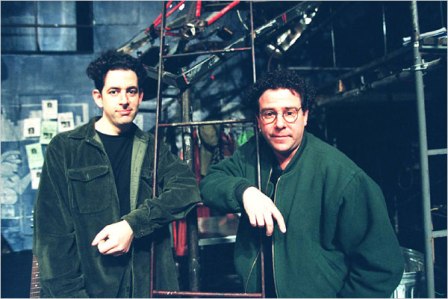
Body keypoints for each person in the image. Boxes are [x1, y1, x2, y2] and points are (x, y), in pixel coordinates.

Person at [200, 69, 404, 298]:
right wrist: (244, 191)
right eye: (269, 114)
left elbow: (382, 268)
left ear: (305, 116)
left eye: (290, 113)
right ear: (258, 120)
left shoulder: (343, 177)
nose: (280, 124)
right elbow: (211, 183)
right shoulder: (252, 155)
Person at [33, 51, 200, 297]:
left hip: (145, 286)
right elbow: (52, 237)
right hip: (92, 288)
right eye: (114, 91)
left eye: (131, 91)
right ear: (98, 97)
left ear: (141, 96)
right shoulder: (67, 147)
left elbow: (187, 189)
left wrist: (132, 225)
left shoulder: (152, 147)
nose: (124, 100)